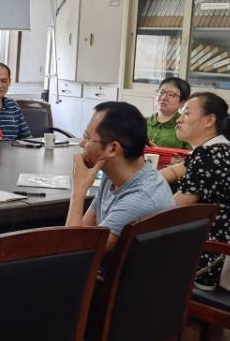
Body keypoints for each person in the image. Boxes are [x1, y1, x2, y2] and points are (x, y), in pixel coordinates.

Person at [161, 92, 230, 291]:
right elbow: (175, 171)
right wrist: (141, 180)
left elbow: (172, 209)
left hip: (218, 259)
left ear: (209, 120)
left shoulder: (209, 155)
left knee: (139, 246)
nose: (178, 119)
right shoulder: (219, 149)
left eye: (186, 113)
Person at [66, 101, 174, 253]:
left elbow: (73, 251)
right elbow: (85, 230)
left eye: (87, 137)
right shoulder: (114, 175)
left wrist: (78, 191)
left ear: (112, 148)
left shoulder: (140, 199)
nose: (82, 144)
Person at [146, 76, 191, 150]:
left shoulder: (186, 127)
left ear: (182, 102)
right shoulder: (142, 122)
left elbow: (190, 156)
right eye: (161, 92)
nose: (163, 97)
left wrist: (158, 151)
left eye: (171, 94)